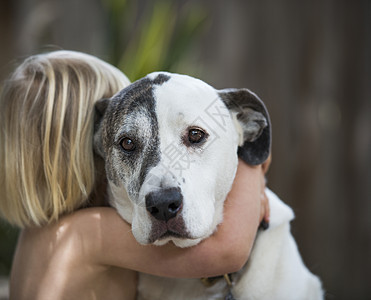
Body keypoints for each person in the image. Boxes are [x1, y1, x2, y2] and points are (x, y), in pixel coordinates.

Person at [0, 50, 270, 300]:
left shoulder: (39, 233)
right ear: (89, 147)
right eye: (127, 143)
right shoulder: (84, 233)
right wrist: (252, 168)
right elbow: (227, 252)